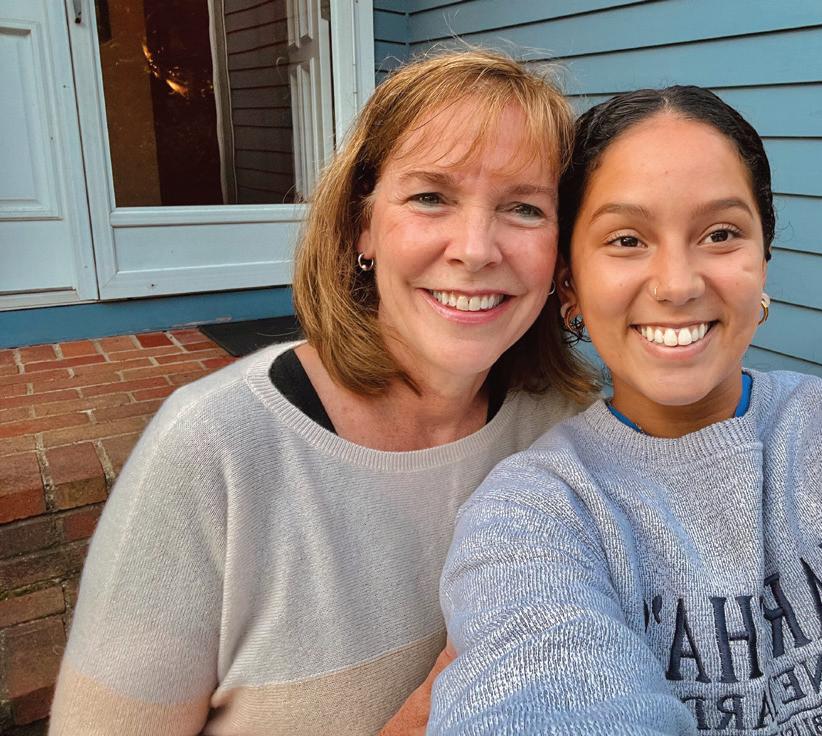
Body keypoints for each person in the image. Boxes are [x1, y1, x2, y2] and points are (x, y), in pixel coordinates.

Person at [429, 86, 822, 735]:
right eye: (626, 239)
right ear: (570, 283)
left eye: (720, 234)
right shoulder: (533, 514)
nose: (677, 284)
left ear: (762, 260)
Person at [48, 50, 598, 736]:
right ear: (363, 224)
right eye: (431, 197)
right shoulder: (215, 450)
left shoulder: (567, 434)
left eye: (523, 207)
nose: (476, 248)